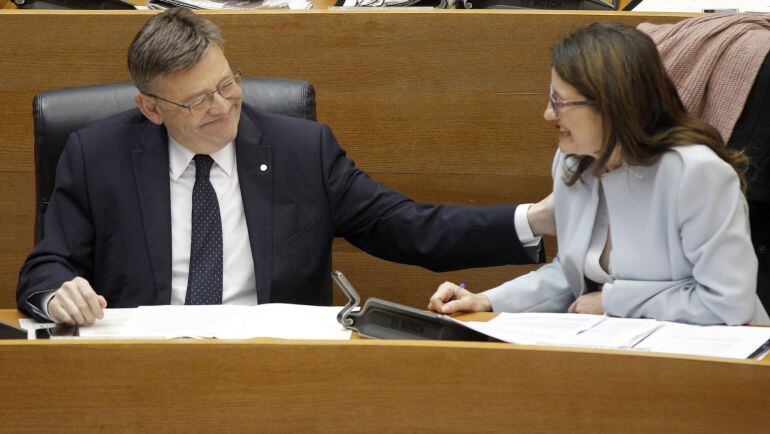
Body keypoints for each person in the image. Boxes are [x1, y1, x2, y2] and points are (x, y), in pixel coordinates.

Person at [16, 8, 554, 325]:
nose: (223, 107)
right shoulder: (97, 155)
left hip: (274, 369)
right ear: (151, 108)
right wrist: (57, 295)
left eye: (227, 84)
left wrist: (532, 220)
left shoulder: (302, 150)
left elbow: (410, 228)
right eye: (198, 101)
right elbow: (46, 268)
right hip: (142, 372)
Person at [428, 22, 770, 326]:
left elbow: (727, 303)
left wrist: (613, 301)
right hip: (625, 355)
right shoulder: (572, 164)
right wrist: (487, 301)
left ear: (611, 105)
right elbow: (570, 274)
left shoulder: (696, 173)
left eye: (561, 101)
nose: (549, 114)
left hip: (723, 365)